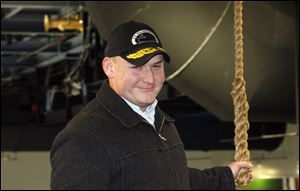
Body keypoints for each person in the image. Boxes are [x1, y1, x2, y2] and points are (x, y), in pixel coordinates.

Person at [50, 21, 253, 190]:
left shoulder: (160, 121)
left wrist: (225, 175)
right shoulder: (85, 136)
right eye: (137, 67)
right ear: (109, 67)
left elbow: (171, 177)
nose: (150, 78)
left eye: (156, 66)